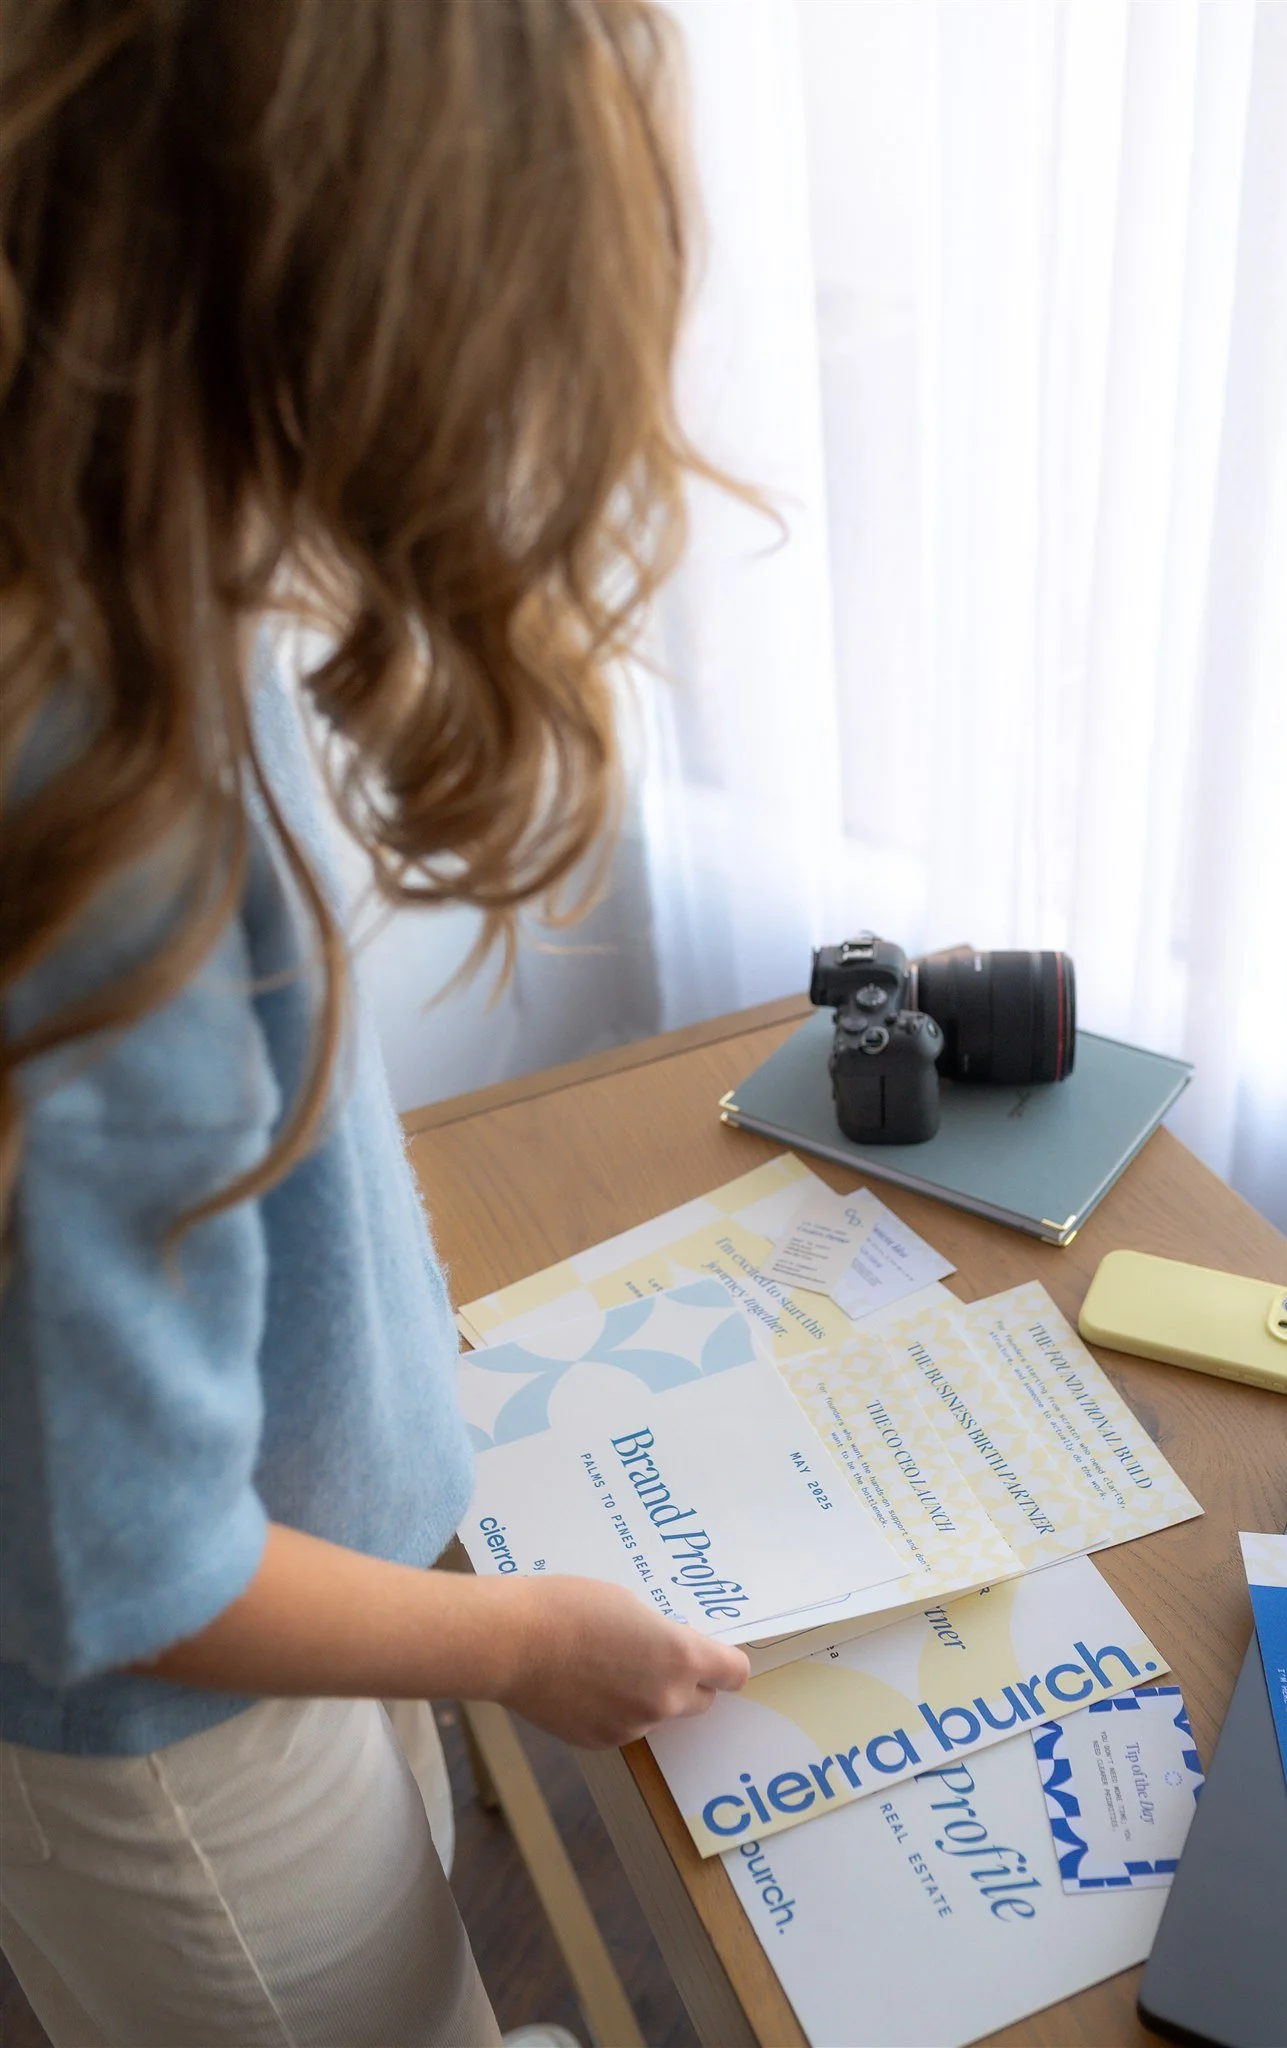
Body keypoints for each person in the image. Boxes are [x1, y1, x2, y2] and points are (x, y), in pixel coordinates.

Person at [0, 3, 751, 2042]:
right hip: (180, 1729)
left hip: (296, 1611)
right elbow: (126, 1570)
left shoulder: (143, 588)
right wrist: (515, 1647)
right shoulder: (102, 788)